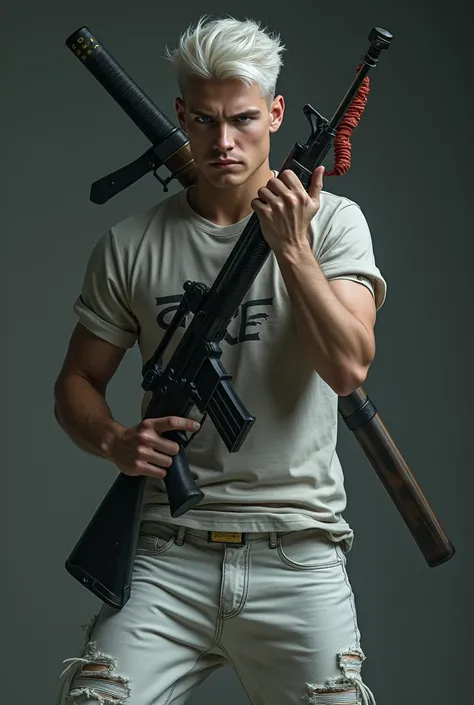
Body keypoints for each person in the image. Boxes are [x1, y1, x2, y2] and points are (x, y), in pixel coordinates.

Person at [54, 14, 387, 705]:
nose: (224, 141)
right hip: (164, 553)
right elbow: (78, 383)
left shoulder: (332, 226)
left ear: (275, 114)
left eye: (242, 119)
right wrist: (115, 439)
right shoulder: (131, 244)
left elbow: (350, 368)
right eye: (204, 121)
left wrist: (293, 250)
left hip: (297, 553)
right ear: (181, 115)